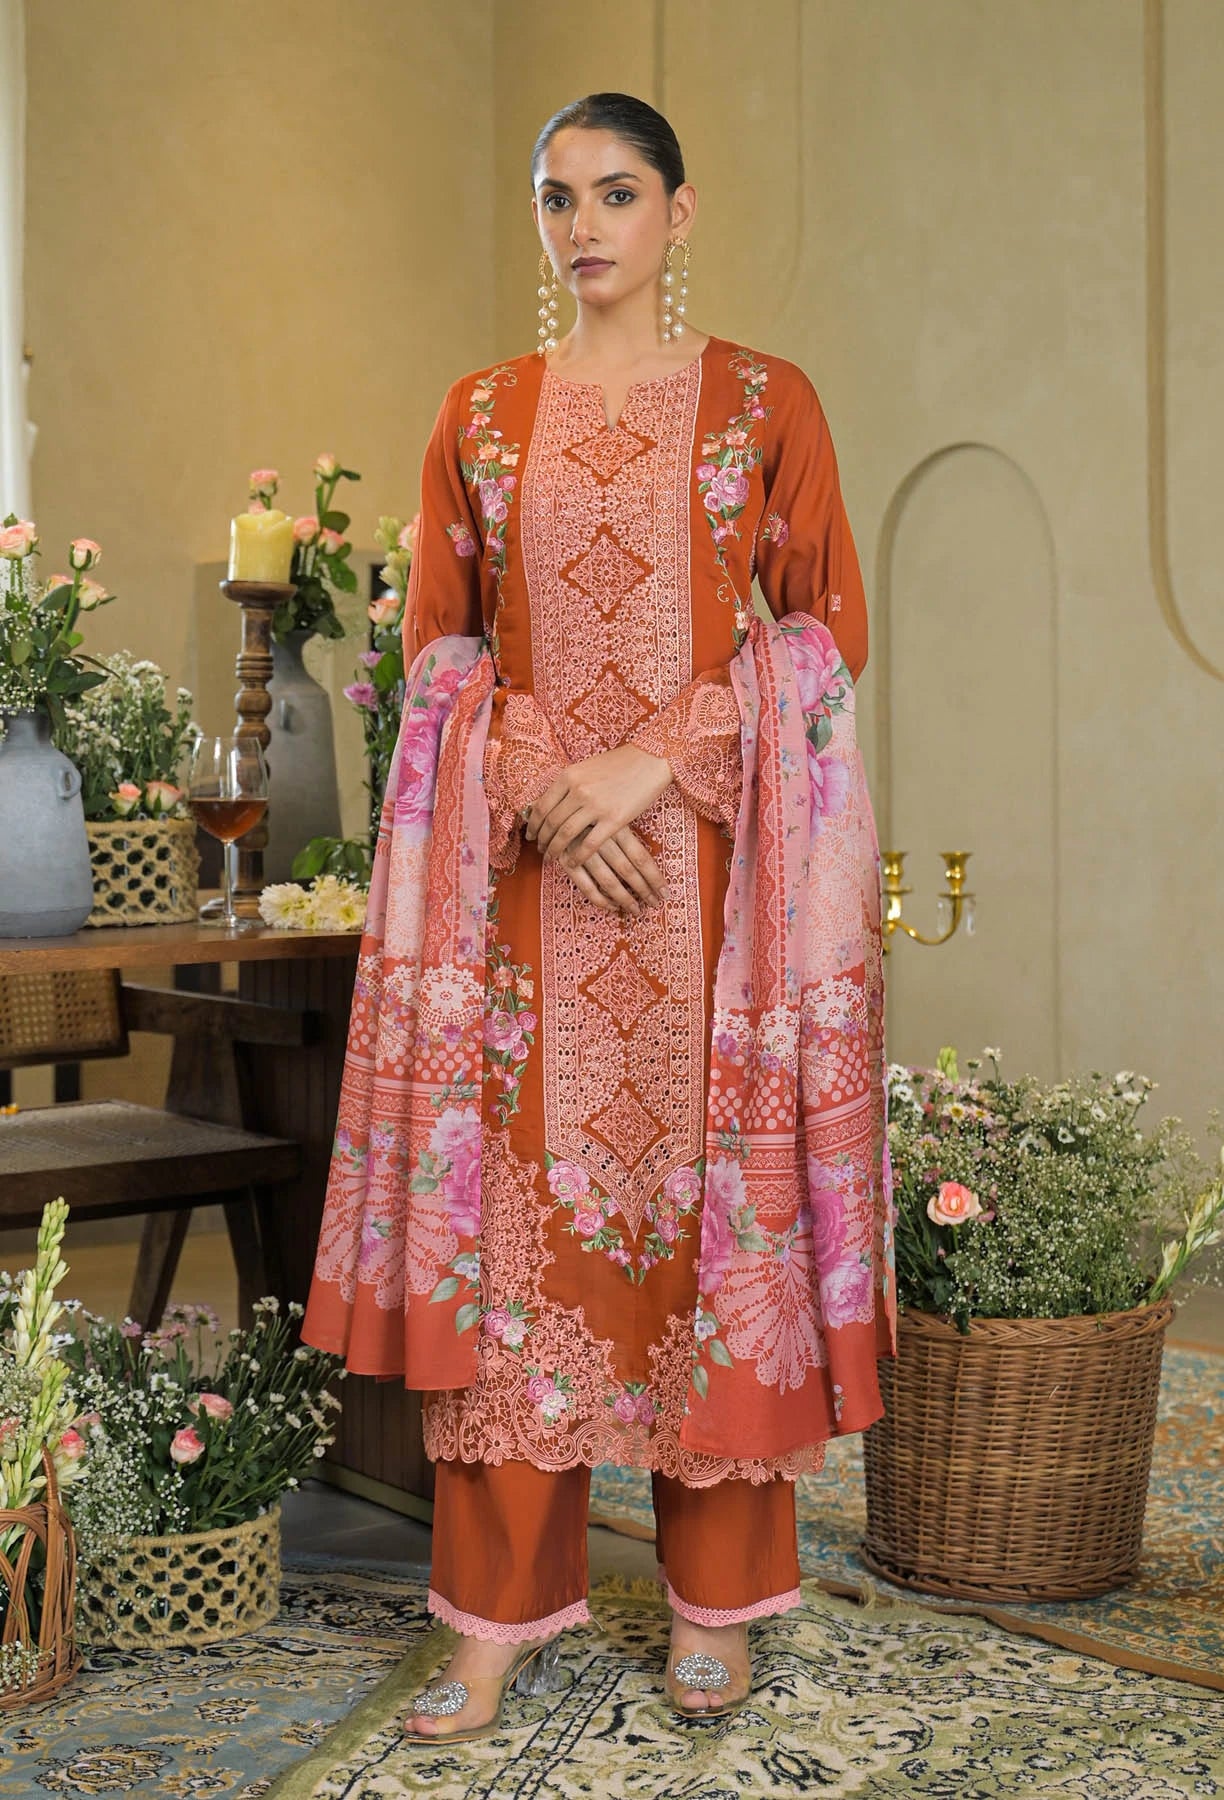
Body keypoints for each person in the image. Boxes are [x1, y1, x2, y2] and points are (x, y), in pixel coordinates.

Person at [302, 91, 894, 1741]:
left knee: (712, 1230)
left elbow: (824, 634)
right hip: (521, 899)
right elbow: (439, 647)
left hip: (709, 890)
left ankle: (715, 1605)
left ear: (678, 214)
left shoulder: (766, 403)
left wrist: (654, 765)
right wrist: (541, 780)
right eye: (559, 198)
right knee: (518, 1252)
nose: (584, 226)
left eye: (617, 194)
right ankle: (492, 1618)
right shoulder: (480, 414)